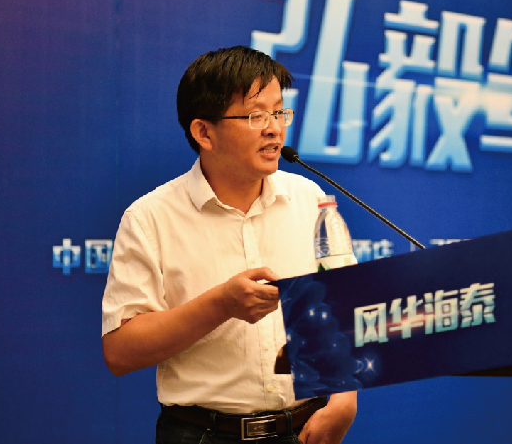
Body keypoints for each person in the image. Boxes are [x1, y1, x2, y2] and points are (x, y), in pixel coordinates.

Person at [101, 46, 357, 444]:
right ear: (204, 132)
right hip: (204, 434)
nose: (274, 129)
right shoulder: (150, 217)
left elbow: (343, 304)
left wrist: (344, 399)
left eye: (279, 112)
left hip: (306, 427)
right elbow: (120, 352)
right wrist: (221, 304)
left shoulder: (309, 199)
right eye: (256, 116)